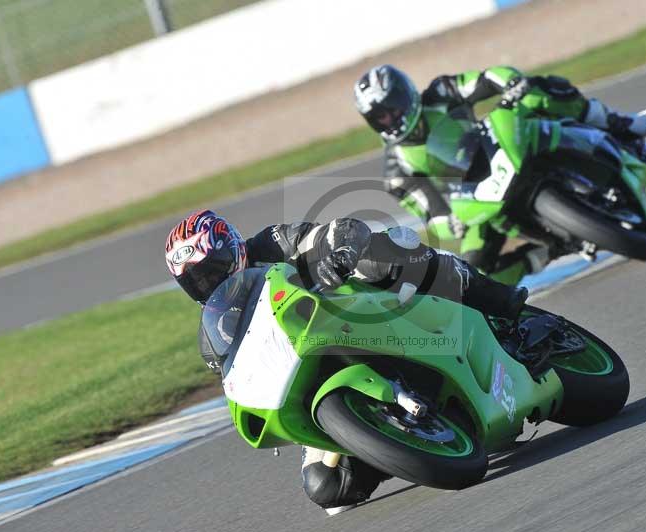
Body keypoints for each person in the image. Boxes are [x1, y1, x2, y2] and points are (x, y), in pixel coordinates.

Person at [164, 209, 529, 513]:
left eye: (213, 268)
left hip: (363, 313)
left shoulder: (274, 242)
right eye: (195, 281)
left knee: (383, 253)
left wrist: (339, 255)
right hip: (315, 369)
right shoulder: (219, 324)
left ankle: (492, 297)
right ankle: (405, 443)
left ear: (233, 247)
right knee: (326, 488)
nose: (209, 282)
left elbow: (344, 230)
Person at [354, 64, 646, 283]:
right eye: (379, 116)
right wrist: (450, 223)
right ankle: (543, 253)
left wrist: (509, 83)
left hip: (495, 144)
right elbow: (429, 211)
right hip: (473, 195)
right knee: (473, 275)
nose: (389, 118)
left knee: (539, 92)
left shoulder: (439, 93)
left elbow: (484, 78)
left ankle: (620, 123)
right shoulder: (397, 171)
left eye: (391, 107)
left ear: (405, 94)